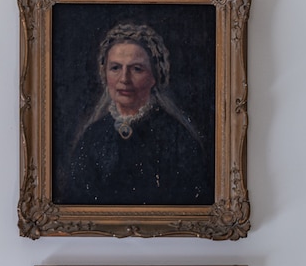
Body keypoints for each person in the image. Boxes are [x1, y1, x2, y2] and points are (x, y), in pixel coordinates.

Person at [60, 23, 213, 205]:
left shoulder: (178, 138)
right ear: (104, 74)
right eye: (115, 68)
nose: (124, 79)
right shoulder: (92, 137)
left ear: (154, 77)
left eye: (137, 69)